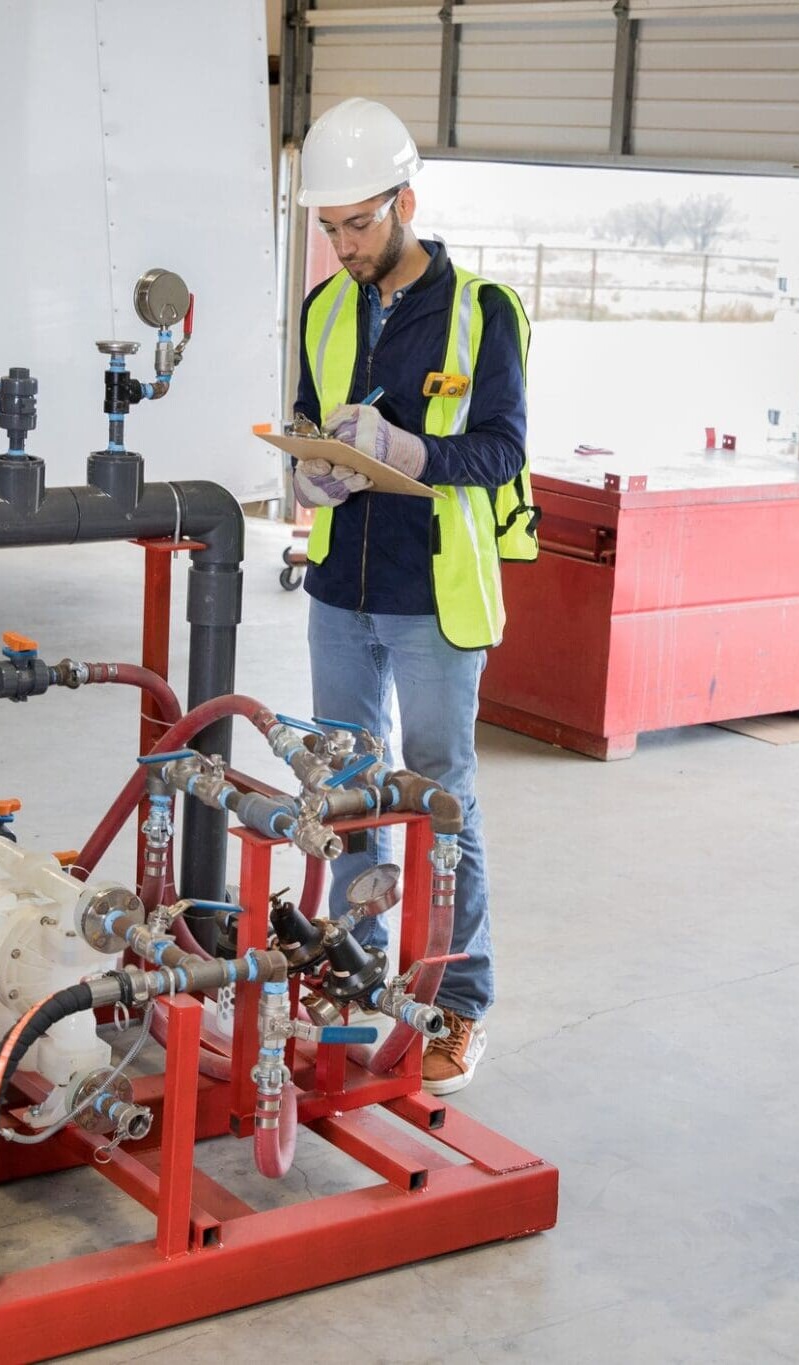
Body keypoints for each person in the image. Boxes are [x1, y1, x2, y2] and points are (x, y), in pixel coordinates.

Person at [290, 97, 537, 1095]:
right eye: (328, 227)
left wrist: (409, 454)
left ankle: (454, 1003)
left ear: (404, 202)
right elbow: (310, 417)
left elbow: (505, 448)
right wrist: (314, 466)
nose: (343, 245)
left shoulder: (481, 311)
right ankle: (356, 982)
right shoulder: (323, 310)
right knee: (347, 796)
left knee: (441, 796)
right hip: (338, 589)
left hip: (433, 596)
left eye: (358, 224)